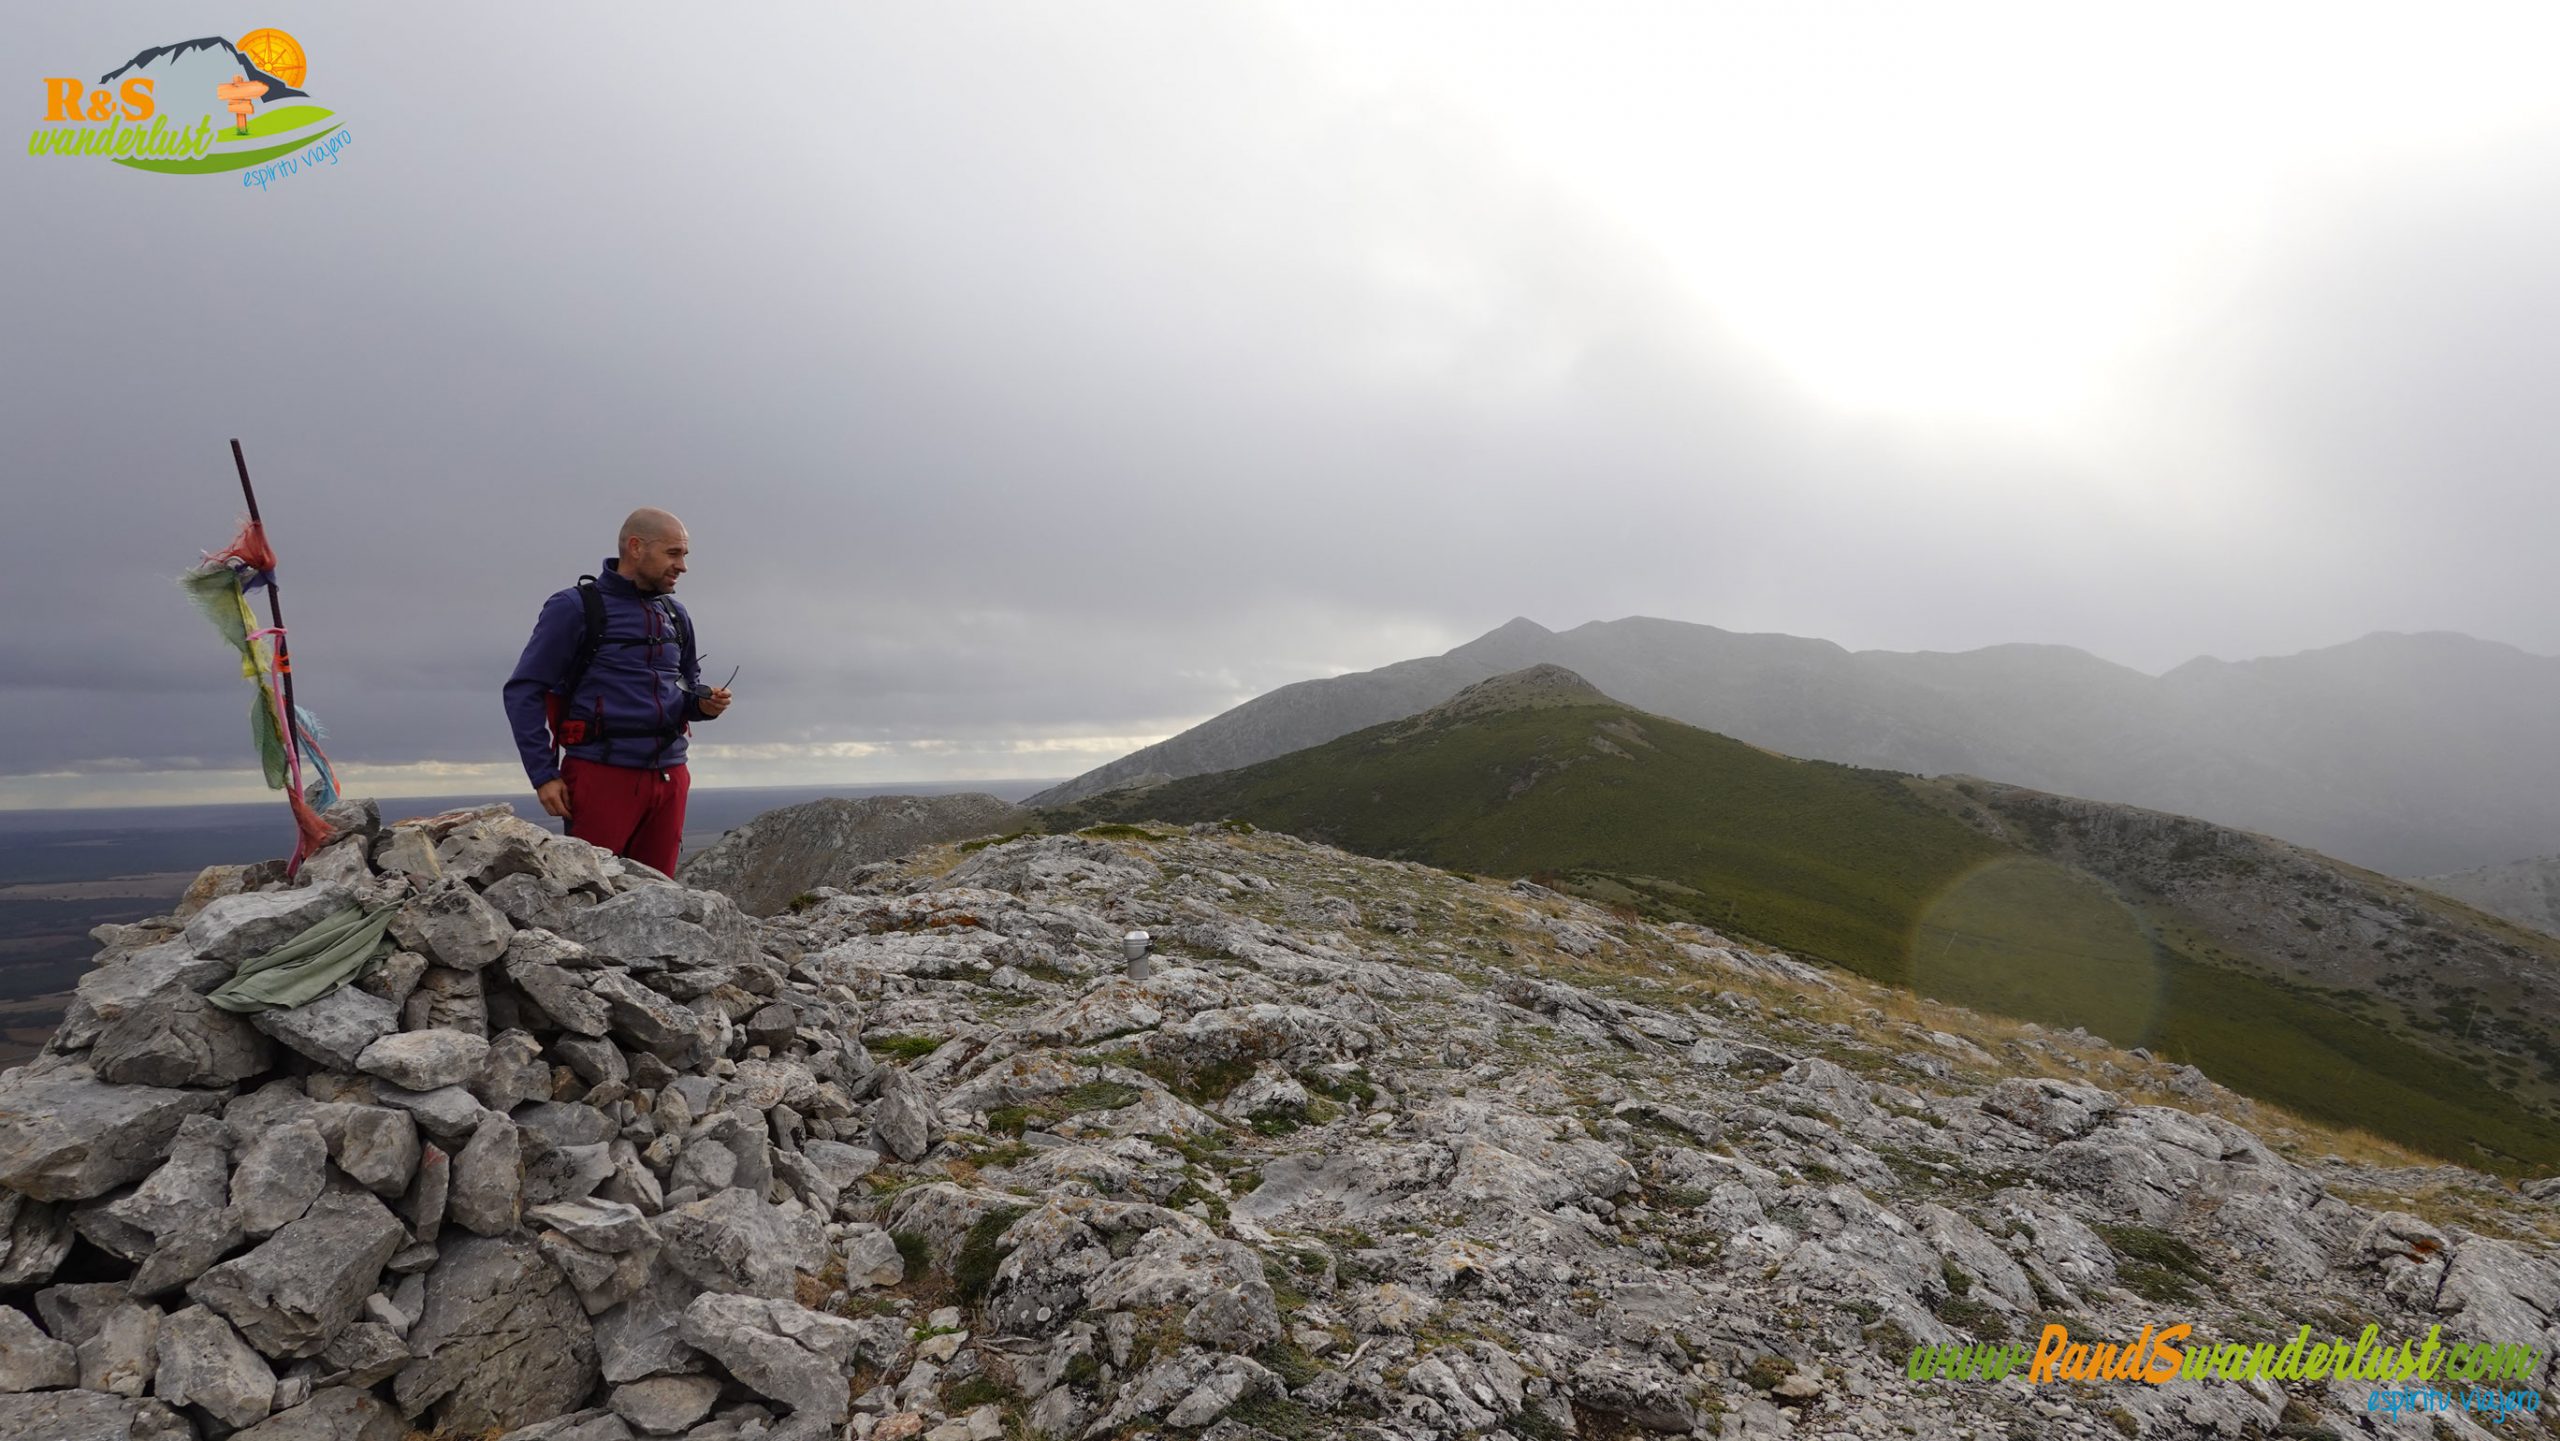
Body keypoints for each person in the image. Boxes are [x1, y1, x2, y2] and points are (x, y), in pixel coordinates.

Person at [503, 508, 732, 876]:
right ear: (636, 547)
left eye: (684, 555)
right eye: (673, 553)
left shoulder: (675, 614)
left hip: (671, 776)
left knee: (661, 896)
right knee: (594, 892)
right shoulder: (575, 607)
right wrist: (543, 774)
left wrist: (705, 706)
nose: (682, 566)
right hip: (600, 776)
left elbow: (686, 688)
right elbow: (524, 690)